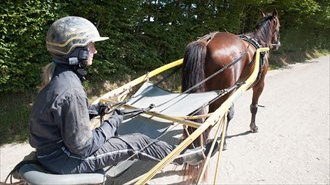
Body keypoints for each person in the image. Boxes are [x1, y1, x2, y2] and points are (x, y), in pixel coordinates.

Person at [29, 16, 216, 175]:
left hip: (51, 153)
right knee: (137, 142)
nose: (95, 50)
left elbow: (63, 115)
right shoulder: (71, 89)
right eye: (91, 45)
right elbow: (83, 147)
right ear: (77, 49)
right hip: (66, 160)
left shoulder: (58, 78)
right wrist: (113, 121)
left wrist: (93, 110)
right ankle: (187, 156)